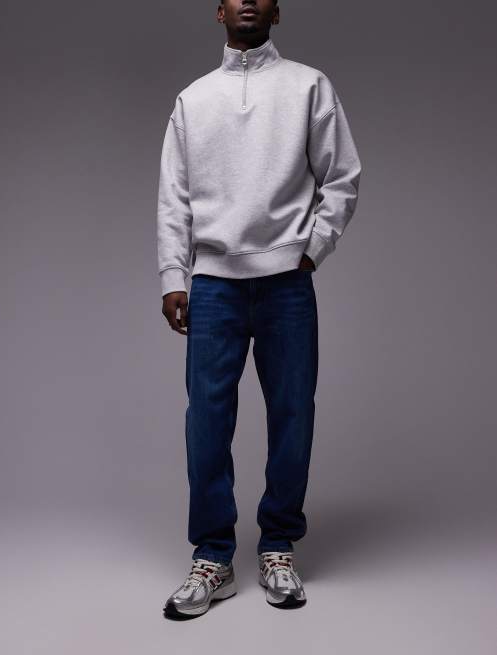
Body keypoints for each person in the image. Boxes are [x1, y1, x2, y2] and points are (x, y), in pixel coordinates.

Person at [157, 0, 362, 620]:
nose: (248, 0)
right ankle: (213, 557)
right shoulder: (194, 98)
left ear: (278, 10)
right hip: (213, 284)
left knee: (293, 416)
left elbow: (342, 176)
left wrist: (312, 249)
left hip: (285, 285)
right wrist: (174, 275)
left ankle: (278, 547)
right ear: (218, 11)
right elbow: (174, 196)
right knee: (206, 424)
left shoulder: (308, 86)